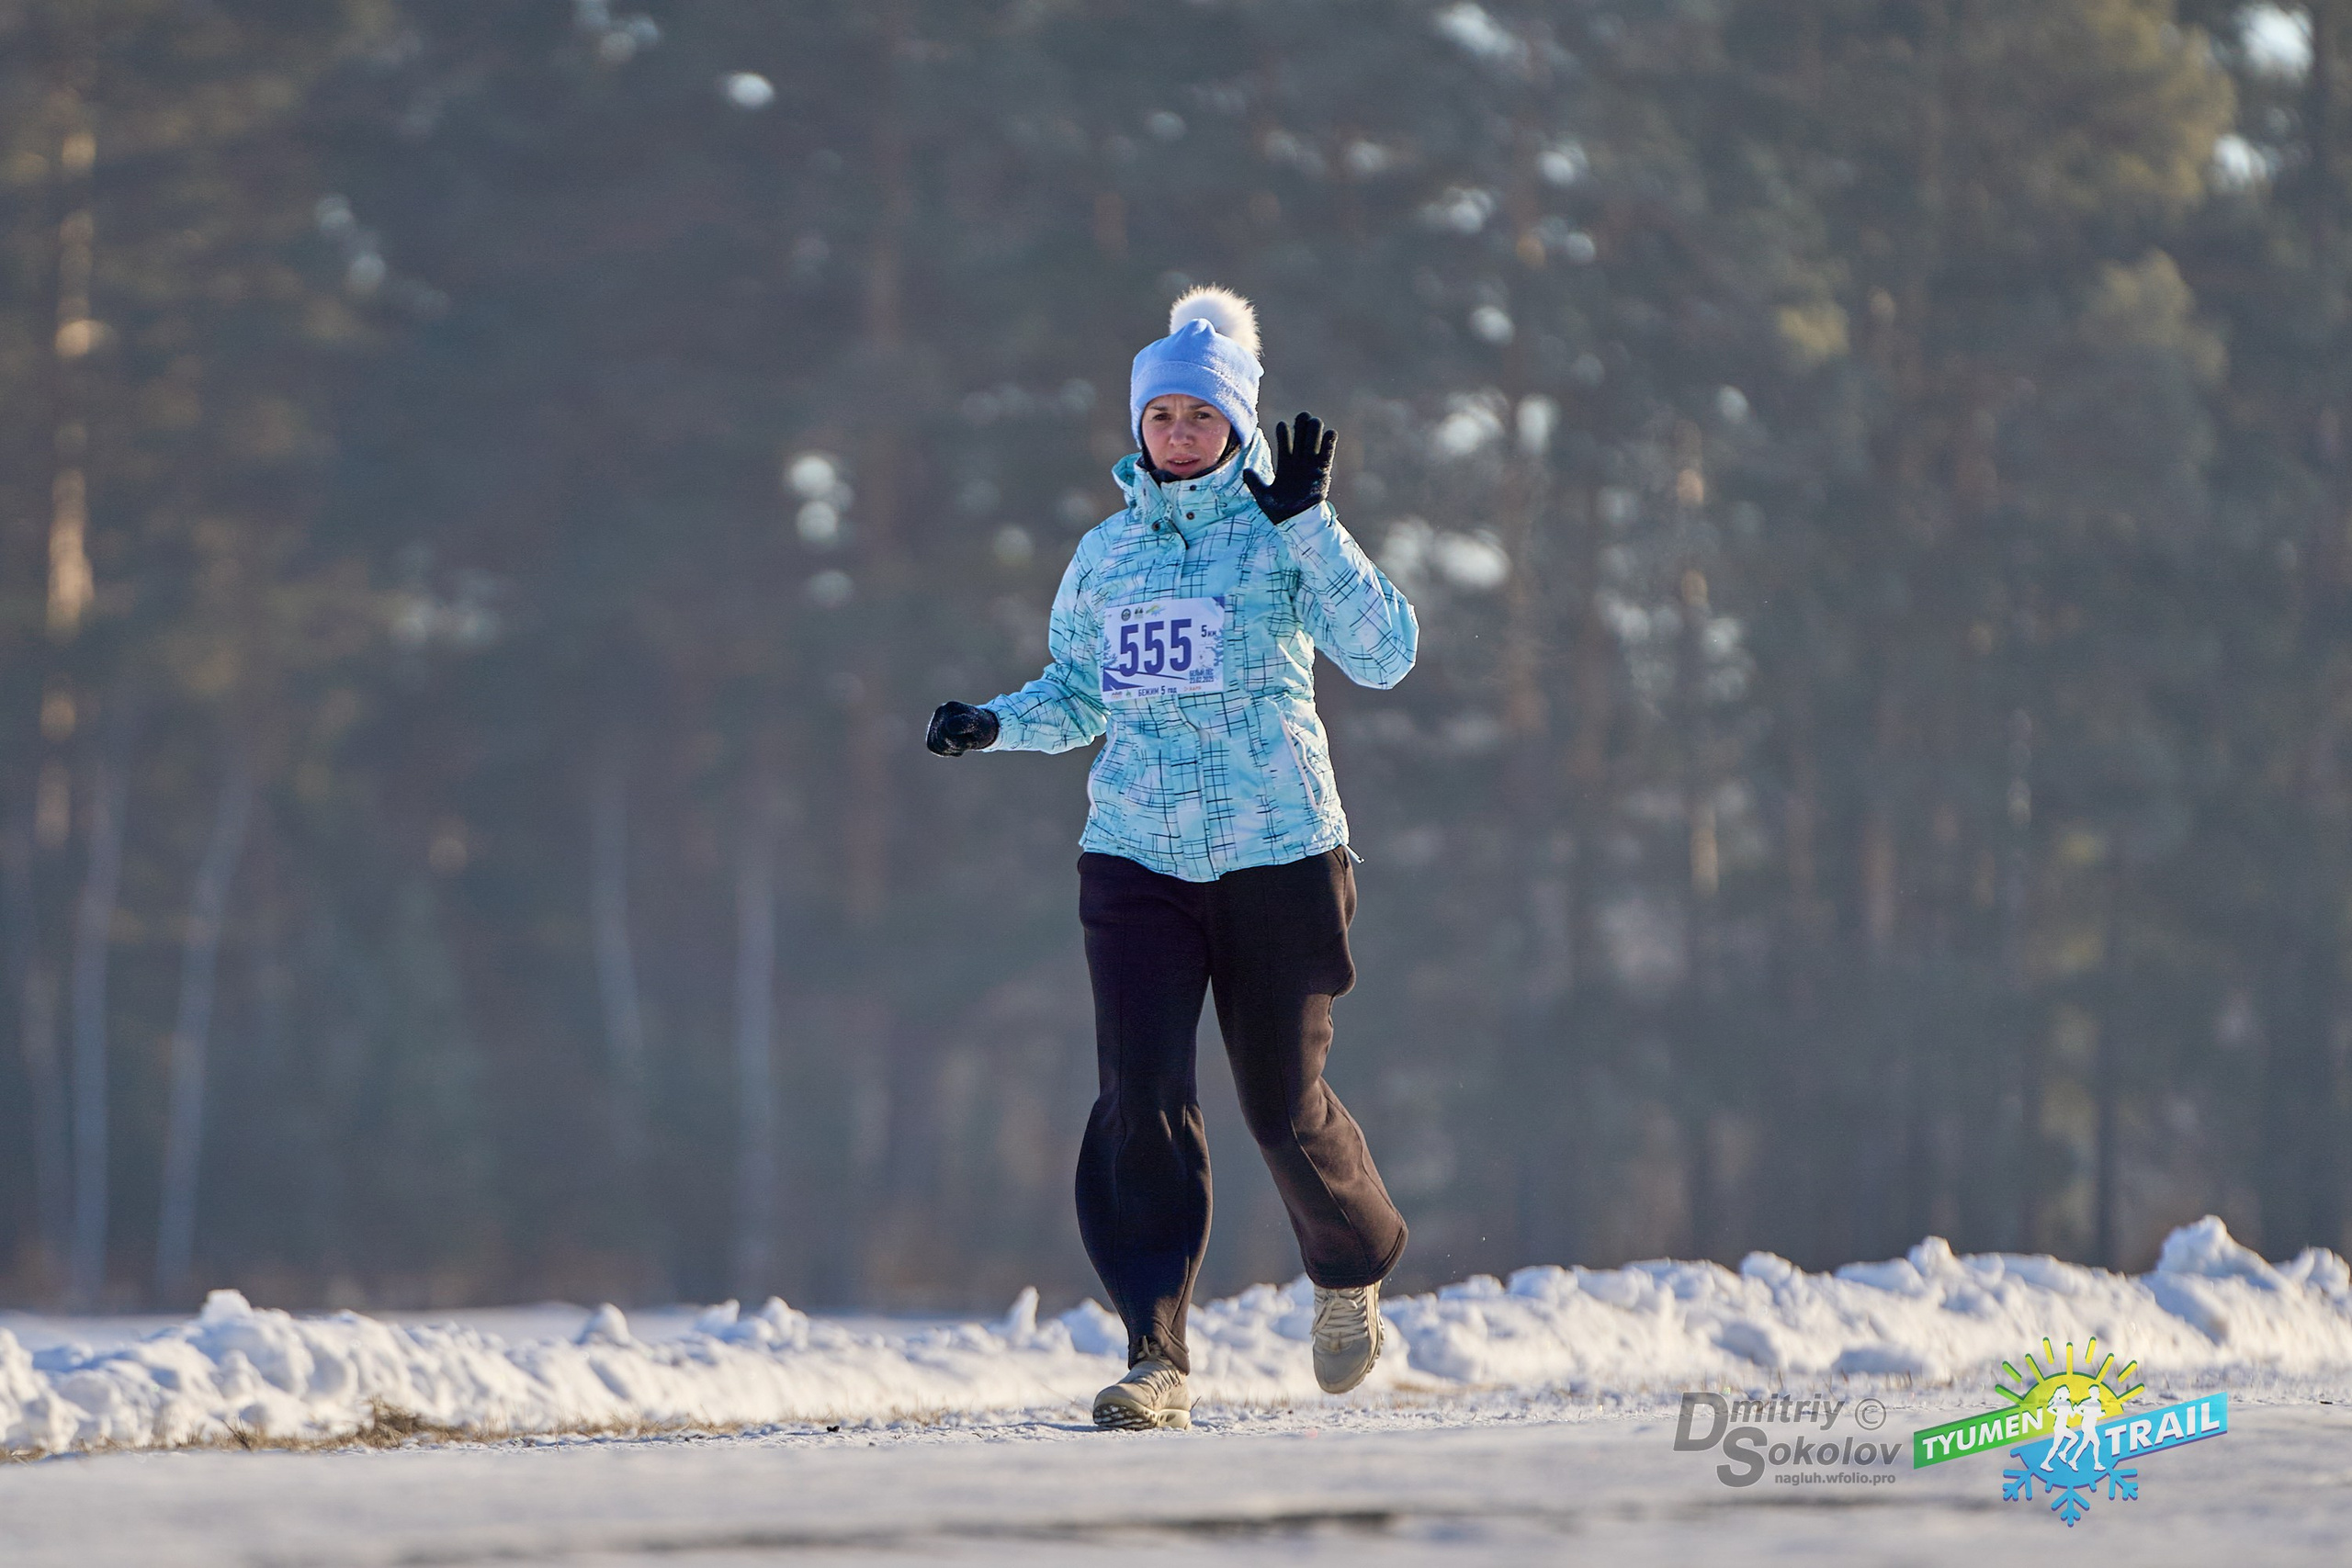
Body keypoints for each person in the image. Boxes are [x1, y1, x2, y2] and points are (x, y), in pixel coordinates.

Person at [927, 286, 1419, 1432]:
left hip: (1280, 854)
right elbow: (1077, 695)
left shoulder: (1284, 533)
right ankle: (1156, 1353)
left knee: (1278, 1106)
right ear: (1137, 428)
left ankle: (1350, 1267)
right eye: (1164, 417)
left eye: (1203, 415)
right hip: (1137, 860)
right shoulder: (1105, 557)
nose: (1181, 434)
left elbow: (1386, 653)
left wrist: (1312, 526)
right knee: (1137, 1100)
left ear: (1237, 426)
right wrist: (995, 723)